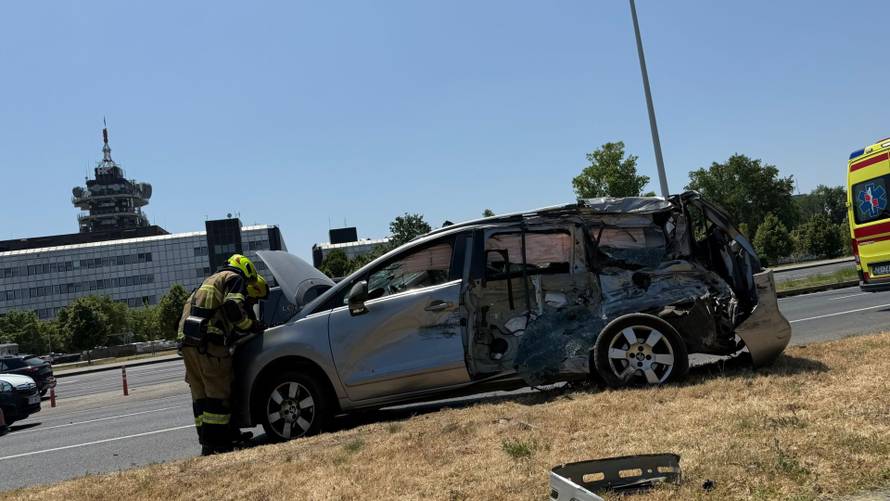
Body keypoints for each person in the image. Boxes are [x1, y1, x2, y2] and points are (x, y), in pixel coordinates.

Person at [177, 254, 265, 455]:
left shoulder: (209, 281)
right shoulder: (235, 279)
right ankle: (219, 444)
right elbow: (233, 307)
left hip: (188, 343)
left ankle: (208, 442)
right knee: (218, 396)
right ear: (246, 270)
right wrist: (251, 325)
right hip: (209, 344)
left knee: (201, 398)